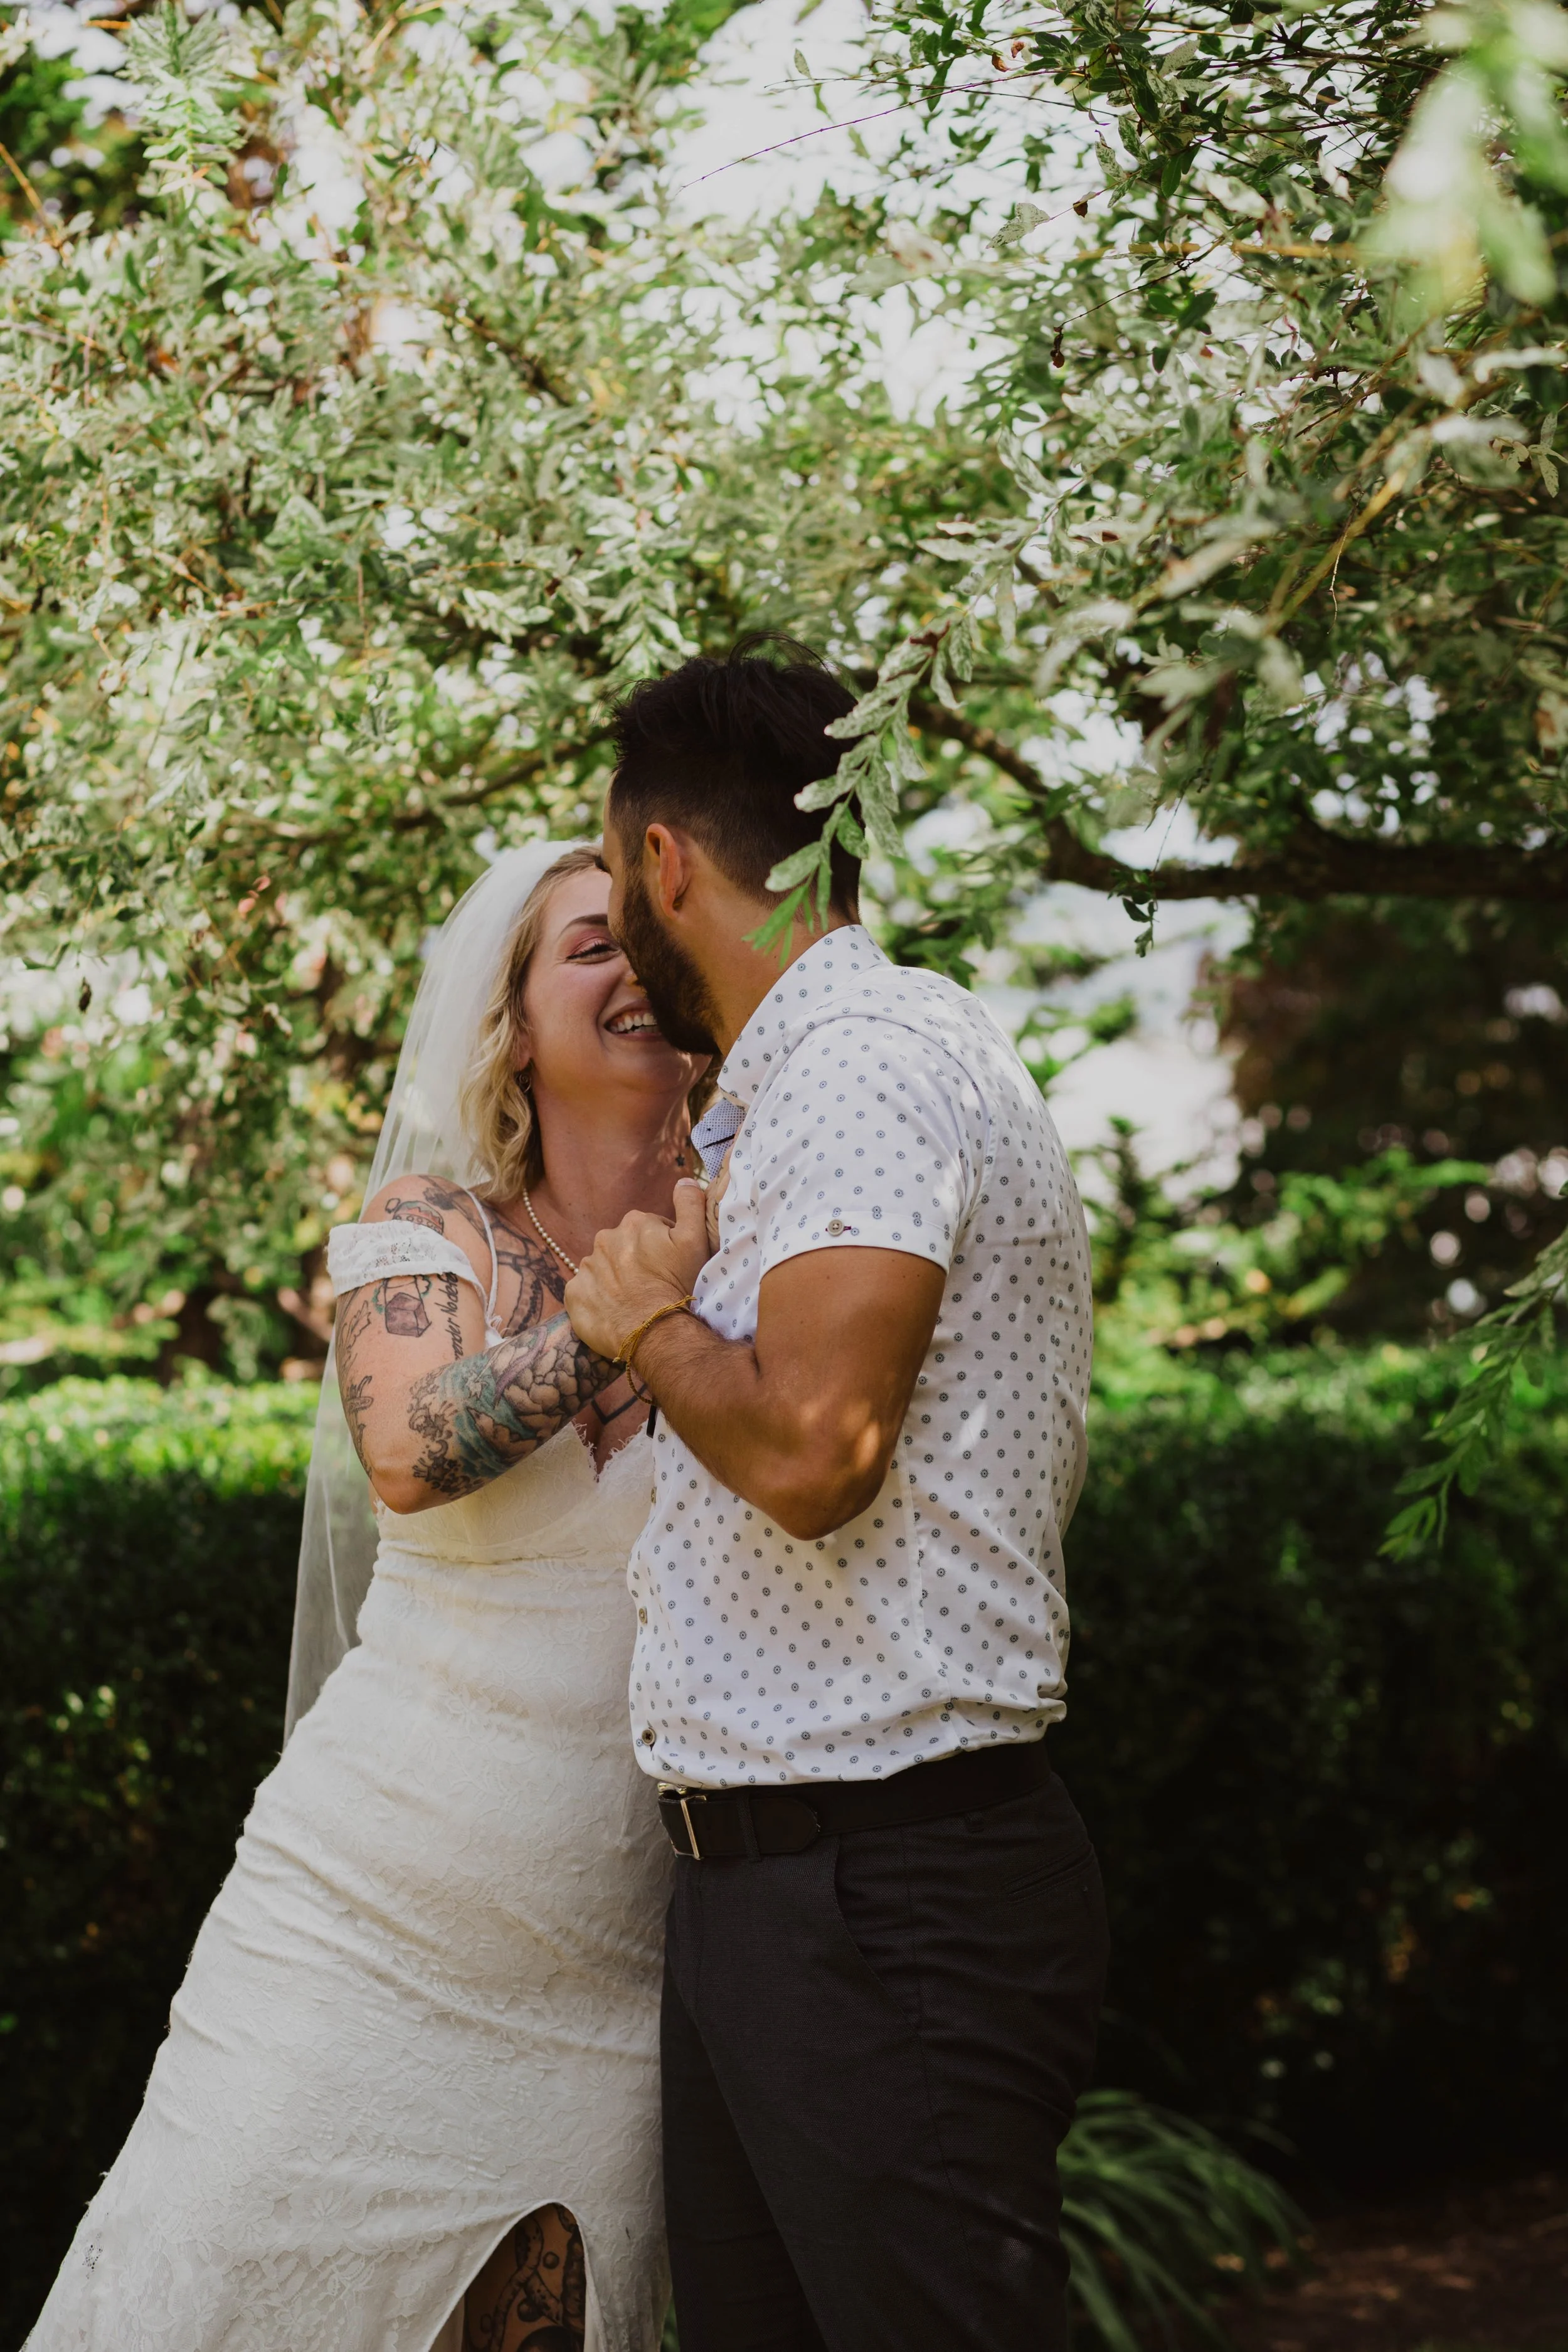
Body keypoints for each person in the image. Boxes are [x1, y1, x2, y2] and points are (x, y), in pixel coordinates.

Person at [27, 842, 706, 2352]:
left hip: (611, 1969)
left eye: (655, 941)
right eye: (590, 946)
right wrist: (621, 1321)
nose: (633, 970)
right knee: (207, 2293)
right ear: (513, 1023)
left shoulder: (764, 1249)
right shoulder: (432, 1225)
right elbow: (405, 1452)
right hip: (352, 1926)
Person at [563, 640, 1109, 2352]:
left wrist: (644, 1319)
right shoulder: (797, 1083)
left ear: (664, 859)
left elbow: (815, 1451)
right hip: (777, 1887)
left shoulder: (866, 1060)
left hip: (882, 1890)